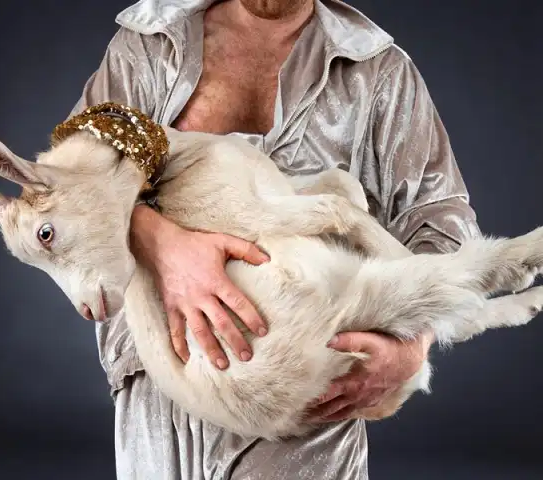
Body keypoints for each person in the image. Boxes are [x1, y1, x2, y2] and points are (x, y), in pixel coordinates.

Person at [68, 0, 481, 478]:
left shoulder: (376, 71)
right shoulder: (152, 44)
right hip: (163, 382)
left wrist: (412, 346)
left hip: (303, 388)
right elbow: (69, 186)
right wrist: (159, 242)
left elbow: (442, 221)